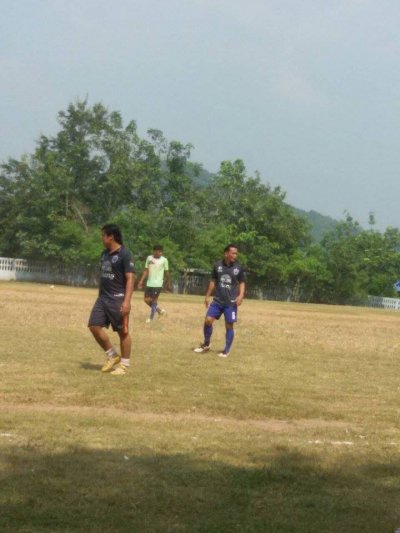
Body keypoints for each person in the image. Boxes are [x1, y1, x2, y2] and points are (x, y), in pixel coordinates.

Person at [88, 224, 136, 375]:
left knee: (123, 332)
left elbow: (130, 278)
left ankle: (124, 365)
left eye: (103, 235)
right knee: (94, 326)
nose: (101, 238)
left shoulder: (125, 254)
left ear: (111, 237)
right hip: (103, 298)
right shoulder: (104, 254)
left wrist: (127, 301)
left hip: (118, 299)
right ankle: (112, 355)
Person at [194, 244, 245, 358]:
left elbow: (242, 282)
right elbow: (213, 281)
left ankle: (226, 351)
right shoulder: (217, 266)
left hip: (230, 303)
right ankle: (206, 344)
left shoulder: (238, 267)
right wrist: (207, 296)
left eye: (236, 253)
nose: (235, 255)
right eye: (233, 253)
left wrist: (241, 295)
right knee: (208, 320)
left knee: (229, 325)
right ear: (226, 253)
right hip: (217, 301)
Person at [138, 244, 171, 322]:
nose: (159, 253)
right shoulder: (149, 258)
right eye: (158, 252)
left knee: (154, 300)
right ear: (154, 251)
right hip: (149, 283)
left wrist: (168, 282)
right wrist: (141, 281)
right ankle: (160, 311)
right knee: (146, 300)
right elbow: (146, 270)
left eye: (161, 252)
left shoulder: (164, 260)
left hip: (158, 284)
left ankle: (151, 318)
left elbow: (167, 272)